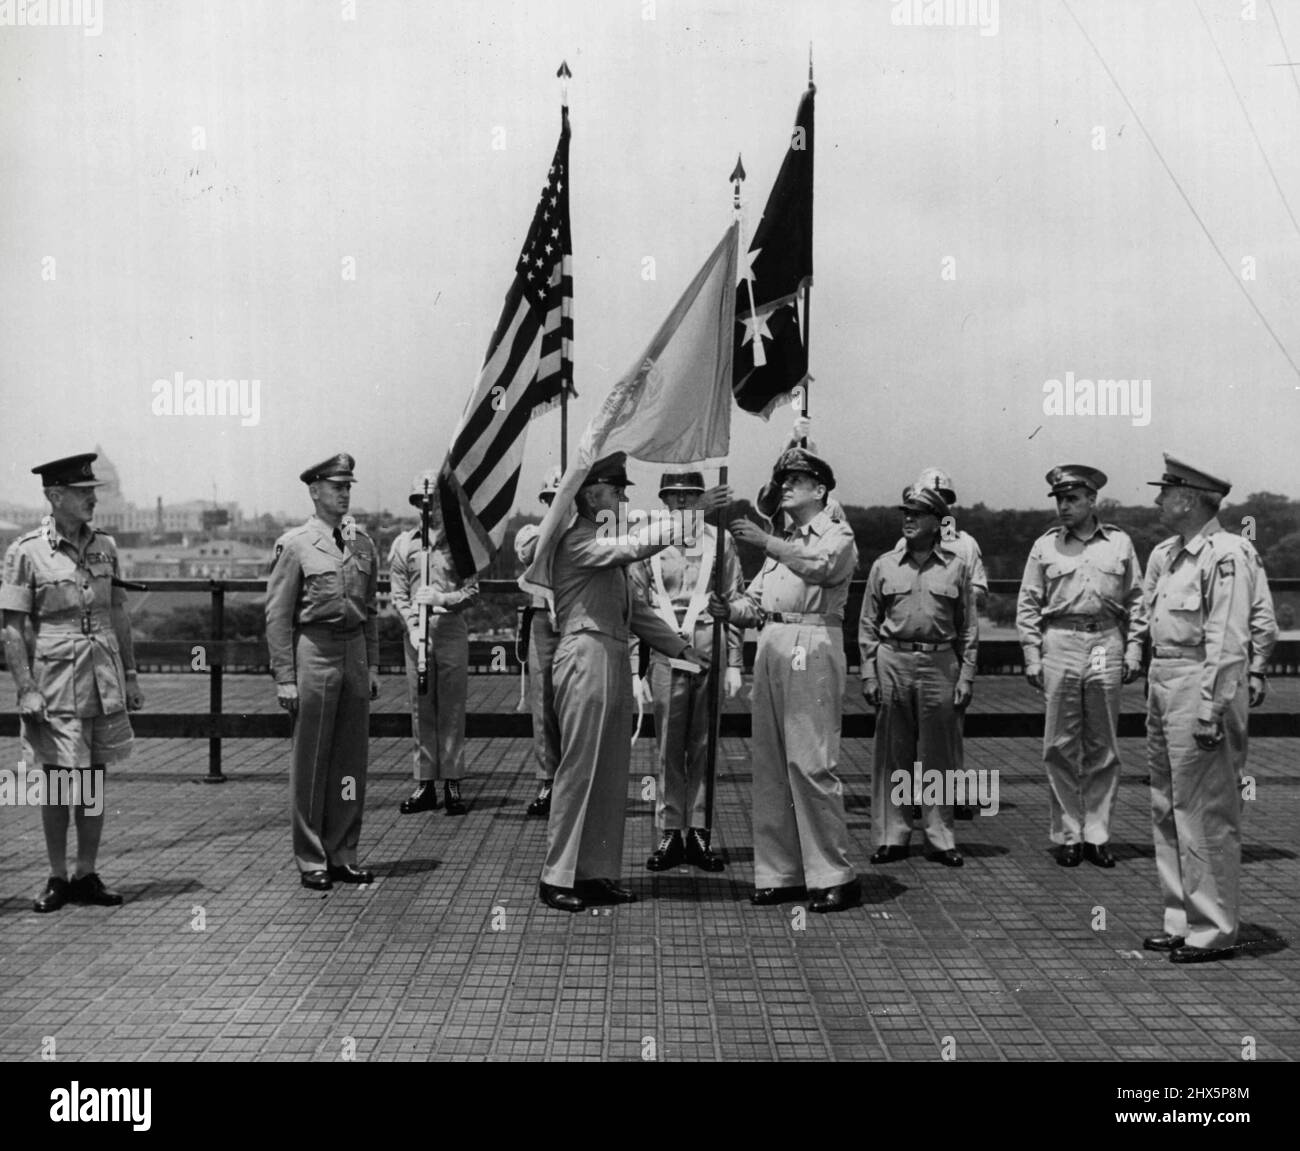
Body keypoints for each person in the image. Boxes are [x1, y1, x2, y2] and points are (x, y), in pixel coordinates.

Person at [539, 452, 724, 913]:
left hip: (612, 654)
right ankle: (557, 875)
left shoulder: (604, 545)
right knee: (580, 768)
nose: (624, 498)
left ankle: (596, 871)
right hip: (585, 654)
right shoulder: (577, 541)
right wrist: (693, 516)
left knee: (608, 771)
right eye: (617, 491)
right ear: (589, 496)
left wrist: (680, 649)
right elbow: (633, 548)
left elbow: (637, 612)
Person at [708, 447, 860, 913]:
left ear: (820, 489)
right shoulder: (784, 539)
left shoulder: (835, 535)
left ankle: (833, 873)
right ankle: (782, 873)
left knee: (811, 763)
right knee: (772, 764)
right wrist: (728, 609)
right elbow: (756, 603)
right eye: (783, 480)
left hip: (810, 641)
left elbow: (820, 567)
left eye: (796, 479)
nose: (786, 486)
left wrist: (764, 540)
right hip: (772, 641)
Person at [1141, 454, 1273, 963]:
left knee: (1205, 811)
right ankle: (1182, 919)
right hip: (1166, 679)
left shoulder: (1226, 554)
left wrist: (1211, 708)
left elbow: (1226, 638)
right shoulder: (1172, 554)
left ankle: (1213, 927)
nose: (1157, 500)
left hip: (1201, 684)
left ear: (1190, 498)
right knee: (1169, 807)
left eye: (1164, 491)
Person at [0, 453, 143, 912]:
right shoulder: (26, 551)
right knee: (61, 779)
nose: (93, 500)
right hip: (56, 678)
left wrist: (132, 674)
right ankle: (57, 876)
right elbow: (12, 628)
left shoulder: (106, 546)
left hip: (102, 677)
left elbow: (116, 612)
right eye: (84, 493)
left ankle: (87, 873)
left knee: (94, 778)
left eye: (94, 492)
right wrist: (26, 687)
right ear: (55, 496)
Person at [1016, 465, 1147, 868]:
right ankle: (1068, 834)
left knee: (1103, 745)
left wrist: (1135, 650)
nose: (1064, 507)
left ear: (1093, 500)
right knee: (1059, 744)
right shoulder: (1046, 547)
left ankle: (1097, 834)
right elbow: (1028, 605)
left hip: (1106, 639)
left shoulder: (1119, 544)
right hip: (1062, 642)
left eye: (1072, 499)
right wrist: (1033, 655)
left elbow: (1138, 600)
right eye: (1059, 499)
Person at [265, 453, 379, 891]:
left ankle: (343, 852)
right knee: (311, 760)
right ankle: (311, 856)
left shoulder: (364, 544)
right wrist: (285, 677)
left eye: (348, 486)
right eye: (336, 486)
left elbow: (368, 609)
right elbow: (277, 616)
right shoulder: (295, 544)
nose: (344, 493)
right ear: (314, 491)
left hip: (352, 652)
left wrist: (371, 665)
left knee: (351, 761)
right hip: (314, 649)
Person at [629, 471, 743, 873]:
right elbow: (635, 605)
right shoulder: (648, 542)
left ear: (701, 498)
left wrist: (735, 662)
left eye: (689, 496)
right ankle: (668, 828)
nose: (680, 504)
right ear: (663, 501)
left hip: (709, 648)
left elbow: (732, 599)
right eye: (674, 498)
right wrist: (633, 668)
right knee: (667, 748)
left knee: (703, 745)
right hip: (664, 649)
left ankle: (699, 830)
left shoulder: (721, 541)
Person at [859, 484, 978, 867]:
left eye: (918, 514)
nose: (908, 520)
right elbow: (867, 624)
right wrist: (868, 673)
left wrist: (966, 676)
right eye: (905, 513)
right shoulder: (884, 565)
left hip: (940, 663)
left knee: (937, 756)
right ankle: (893, 835)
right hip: (893, 660)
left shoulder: (956, 568)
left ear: (936, 522)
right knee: (894, 754)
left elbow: (969, 628)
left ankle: (940, 837)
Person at [389, 470, 479, 816]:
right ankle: (424, 782)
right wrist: (412, 625)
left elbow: (473, 592)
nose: (429, 511)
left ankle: (452, 781)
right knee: (421, 708)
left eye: (435, 503)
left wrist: (443, 597)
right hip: (417, 634)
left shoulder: (460, 545)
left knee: (453, 708)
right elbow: (398, 593)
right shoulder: (403, 544)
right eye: (422, 504)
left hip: (450, 627)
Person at [908, 467, 987, 819]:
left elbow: (980, 590)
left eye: (946, 500)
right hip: (916, 644)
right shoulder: (906, 542)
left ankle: (950, 793)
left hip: (951, 643)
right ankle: (911, 793)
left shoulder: (966, 544)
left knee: (949, 724)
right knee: (911, 724)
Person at [514, 466, 562, 816]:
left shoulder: (580, 531)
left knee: (573, 702)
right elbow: (528, 553)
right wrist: (555, 519)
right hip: (543, 620)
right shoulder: (533, 531)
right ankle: (548, 781)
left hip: (574, 618)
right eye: (551, 498)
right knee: (543, 702)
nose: (555, 503)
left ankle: (572, 781)